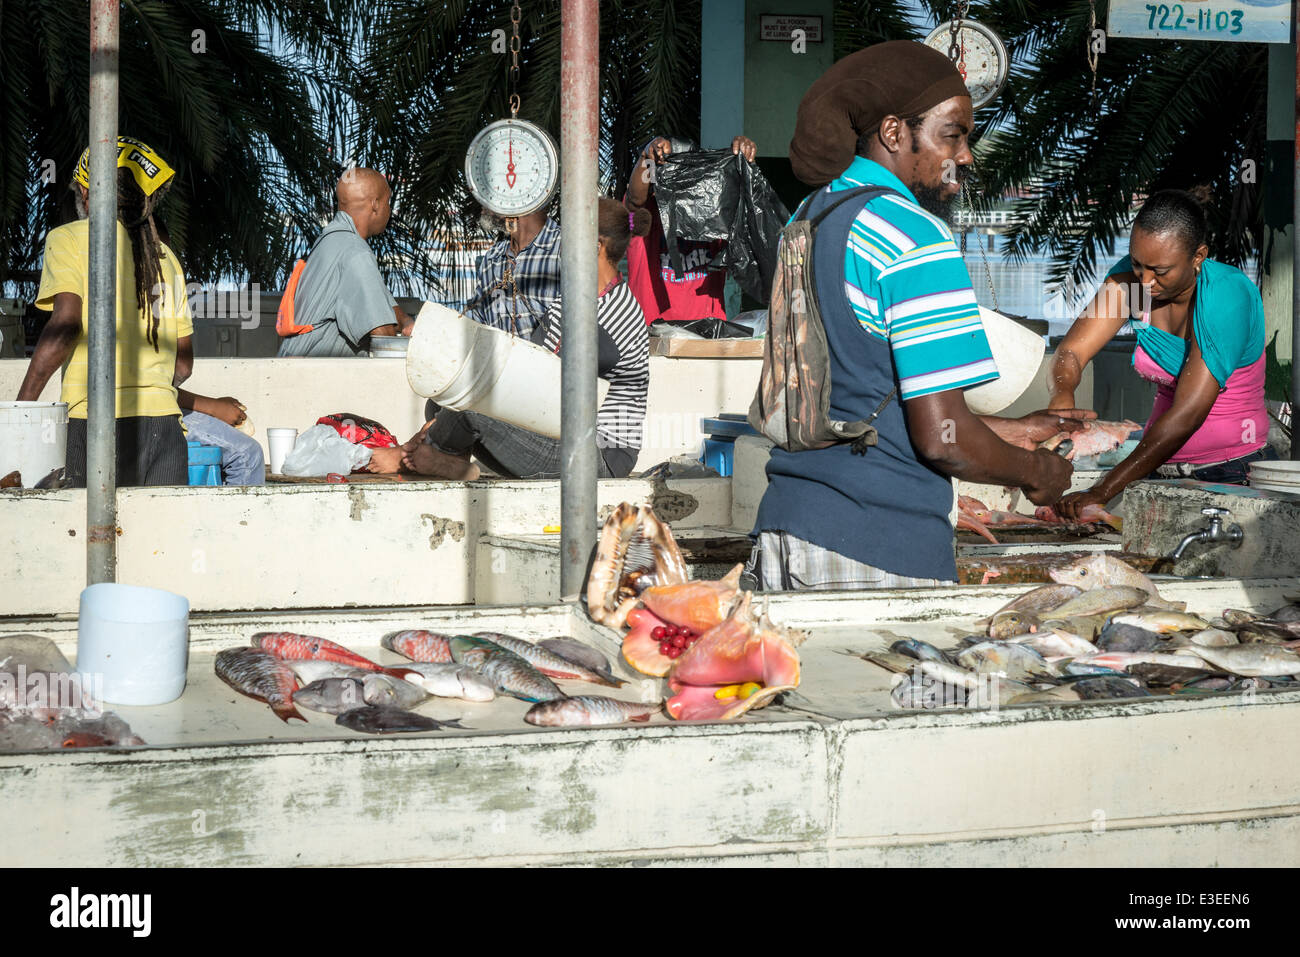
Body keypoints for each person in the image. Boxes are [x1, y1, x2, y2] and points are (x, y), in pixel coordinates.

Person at [747, 41, 1092, 591]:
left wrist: (1011, 432)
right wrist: (1037, 473)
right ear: (892, 133)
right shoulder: (915, 234)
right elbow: (943, 438)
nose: (966, 156)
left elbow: (861, 397)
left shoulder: (809, 217)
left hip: (788, 526)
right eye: (951, 134)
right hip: (876, 543)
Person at [377, 197, 651, 479]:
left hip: (598, 456)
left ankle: (414, 457)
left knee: (472, 405)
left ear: (595, 247)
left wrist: (442, 422)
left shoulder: (616, 311)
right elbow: (534, 366)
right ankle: (445, 461)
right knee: (442, 400)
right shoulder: (573, 297)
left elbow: (547, 389)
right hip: (558, 431)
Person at [1050, 189, 1273, 516]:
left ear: (1198, 256)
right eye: (1139, 264)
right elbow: (1070, 352)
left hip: (1232, 473)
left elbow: (1187, 416)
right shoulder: (1134, 287)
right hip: (1157, 468)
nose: (1146, 280)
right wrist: (1063, 393)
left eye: (1161, 270)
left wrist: (1102, 490)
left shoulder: (1224, 295)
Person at [17, 137, 192, 486]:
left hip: (92, 421)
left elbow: (65, 327)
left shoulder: (69, 239)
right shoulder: (167, 258)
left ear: (86, 190)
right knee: (159, 541)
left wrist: (22, 408)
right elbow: (182, 366)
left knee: (88, 539)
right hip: (165, 430)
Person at [277, 168, 411, 357]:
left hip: (292, 367)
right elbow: (384, 338)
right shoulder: (355, 252)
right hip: (310, 379)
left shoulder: (329, 241)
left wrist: (405, 321)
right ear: (375, 204)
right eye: (388, 202)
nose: (389, 209)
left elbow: (378, 302)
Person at [623, 135, 755, 324]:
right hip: (651, 339)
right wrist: (647, 157)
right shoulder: (645, 217)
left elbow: (749, 211)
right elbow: (634, 200)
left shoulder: (717, 216)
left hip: (706, 340)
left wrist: (745, 163)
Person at [464, 206, 562, 341]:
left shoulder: (565, 248)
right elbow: (474, 322)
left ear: (514, 198)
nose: (482, 203)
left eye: (490, 195)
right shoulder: (493, 258)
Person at [177, 391, 265, 486]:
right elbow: (162, 390)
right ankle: (241, 501)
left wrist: (213, 405)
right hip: (163, 413)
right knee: (246, 453)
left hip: (169, 403)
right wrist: (213, 407)